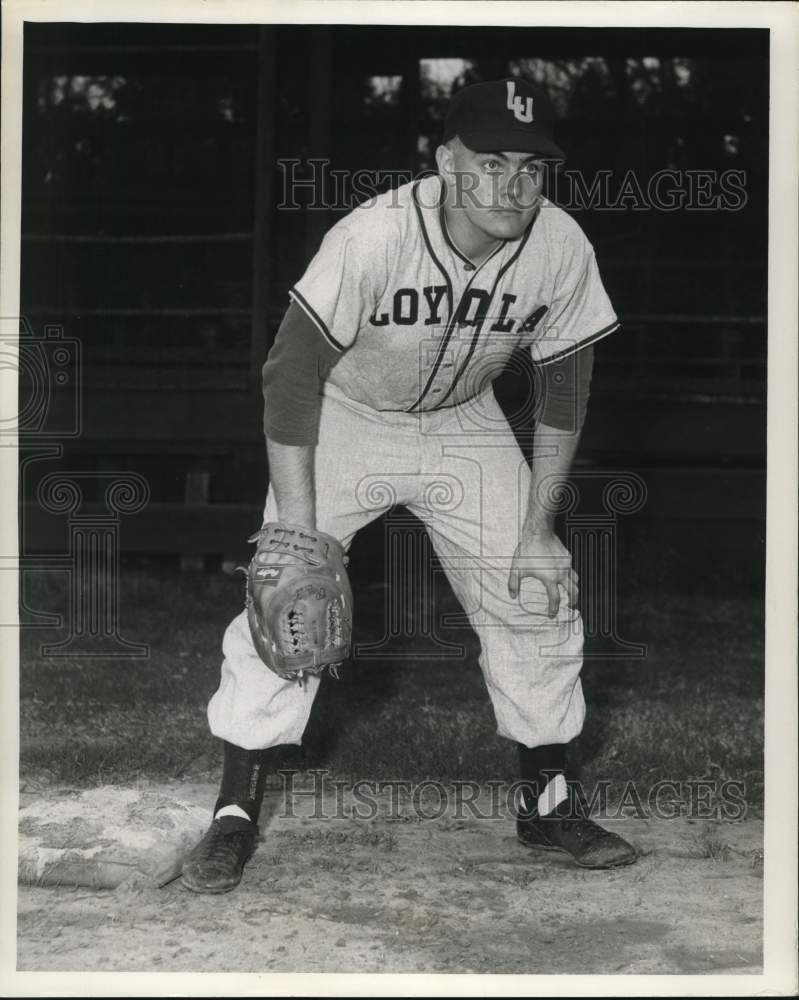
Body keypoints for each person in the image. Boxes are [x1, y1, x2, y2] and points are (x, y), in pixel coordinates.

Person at [181, 77, 637, 894]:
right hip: (346, 416)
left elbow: (565, 390)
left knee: (534, 592)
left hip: (465, 422)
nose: (511, 185)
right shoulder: (376, 235)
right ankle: (233, 814)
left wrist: (538, 531)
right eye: (489, 161)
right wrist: (298, 535)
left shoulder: (560, 246)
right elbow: (289, 376)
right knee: (290, 596)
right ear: (444, 160)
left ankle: (548, 801)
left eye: (531, 167)